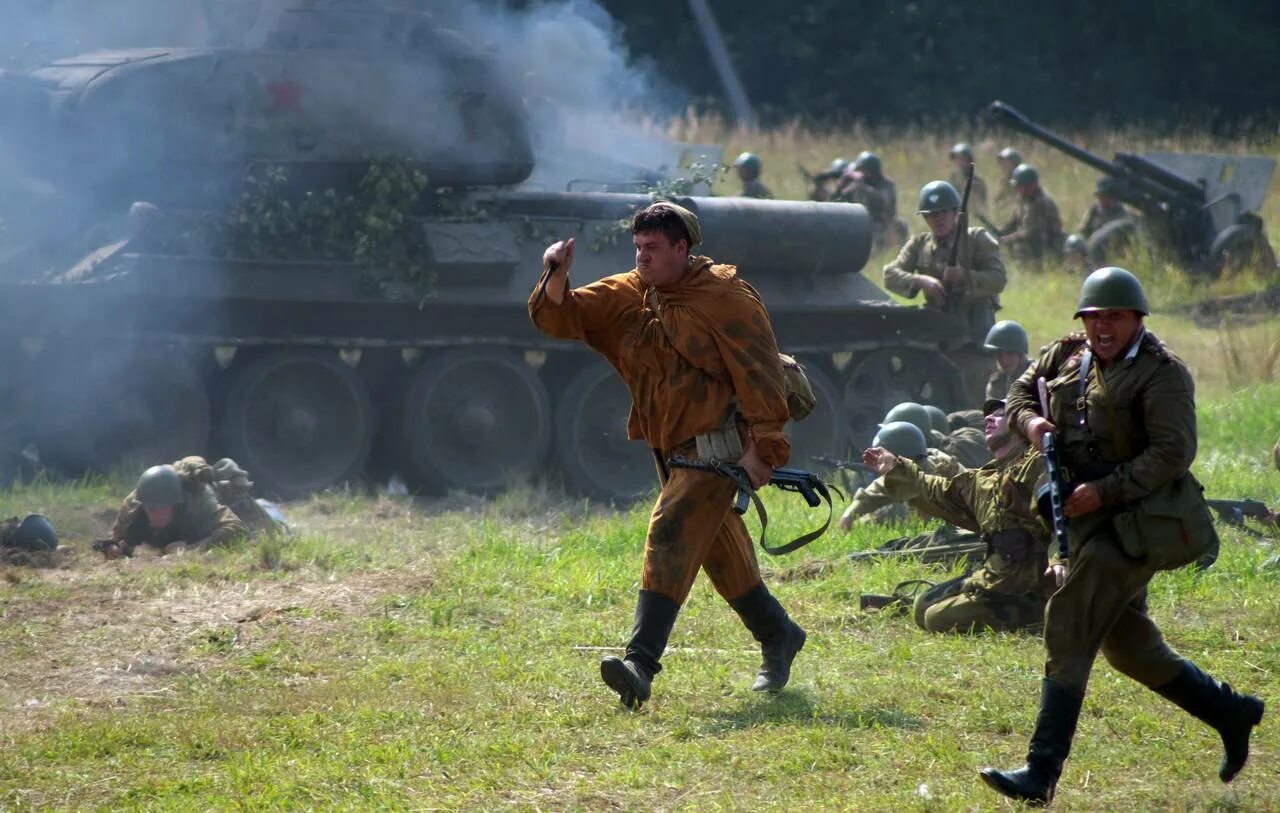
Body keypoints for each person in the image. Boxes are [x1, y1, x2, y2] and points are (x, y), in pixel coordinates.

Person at [980, 267, 1264, 804]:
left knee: (1067, 621)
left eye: (1114, 317)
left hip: (1140, 524)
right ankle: (1232, 711)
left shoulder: (1163, 374)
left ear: (1137, 319)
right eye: (1093, 317)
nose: (1102, 327)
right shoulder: (1067, 355)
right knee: (1130, 649)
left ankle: (1040, 774)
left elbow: (1173, 451)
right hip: (1088, 522)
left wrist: (1105, 491)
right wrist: (1029, 424)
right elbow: (1017, 392)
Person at [530, 202, 805, 709]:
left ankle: (640, 663)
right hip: (671, 448)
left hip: (717, 447)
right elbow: (564, 314)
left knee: (670, 531)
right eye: (637, 248)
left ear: (683, 249)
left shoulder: (726, 297)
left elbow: (762, 374)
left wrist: (764, 450)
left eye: (653, 249)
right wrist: (555, 274)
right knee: (722, 557)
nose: (642, 258)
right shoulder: (631, 292)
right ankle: (779, 634)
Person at [865, 398, 1051, 633]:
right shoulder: (987, 479)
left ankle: (1039, 616)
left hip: (1034, 586)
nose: (988, 418)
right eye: (989, 414)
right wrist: (896, 469)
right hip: (998, 579)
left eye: (1000, 414)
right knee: (922, 606)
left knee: (936, 618)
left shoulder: (1040, 464)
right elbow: (941, 493)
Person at [883, 180, 1007, 403]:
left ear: (954, 213)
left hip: (973, 343)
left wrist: (964, 276)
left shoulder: (977, 239)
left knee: (981, 407)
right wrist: (921, 280)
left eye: (942, 212)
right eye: (931, 215)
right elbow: (890, 274)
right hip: (938, 345)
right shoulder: (919, 245)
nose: (938, 219)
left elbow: (998, 280)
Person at [102, 459, 249, 558]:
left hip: (220, 497)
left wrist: (192, 549)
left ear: (175, 504)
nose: (154, 512)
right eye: (150, 507)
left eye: (161, 507)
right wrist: (115, 548)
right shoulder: (132, 507)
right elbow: (116, 537)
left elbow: (237, 528)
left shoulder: (198, 501)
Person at [837, 420, 962, 529]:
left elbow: (917, 519)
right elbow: (876, 491)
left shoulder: (939, 475)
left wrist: (865, 522)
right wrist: (850, 514)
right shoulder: (910, 468)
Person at [834, 151, 905, 249]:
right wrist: (841, 185)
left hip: (883, 223)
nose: (861, 174)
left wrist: (862, 186)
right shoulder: (859, 184)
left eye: (863, 171)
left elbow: (883, 201)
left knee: (899, 226)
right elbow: (838, 200)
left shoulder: (887, 185)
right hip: (862, 222)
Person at [1000, 163, 1064, 269]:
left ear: (1031, 186)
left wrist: (1007, 239)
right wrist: (1000, 231)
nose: (1017, 190)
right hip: (1032, 240)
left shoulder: (1040, 202)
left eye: (1019, 186)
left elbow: (1029, 233)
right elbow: (1014, 220)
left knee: (1019, 247)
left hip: (1047, 243)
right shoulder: (1023, 198)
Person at [982, 320, 1031, 402]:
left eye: (1010, 353)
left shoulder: (1037, 377)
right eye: (999, 354)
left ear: (1020, 354)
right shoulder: (996, 383)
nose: (1004, 360)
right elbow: (992, 410)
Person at [947, 142, 988, 216]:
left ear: (969, 160)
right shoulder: (953, 178)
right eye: (957, 159)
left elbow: (981, 206)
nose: (959, 162)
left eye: (962, 159)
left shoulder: (977, 182)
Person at [994, 146, 1023, 222]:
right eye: (1002, 162)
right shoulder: (1003, 181)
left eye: (1006, 162)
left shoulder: (1021, 182)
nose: (1003, 166)